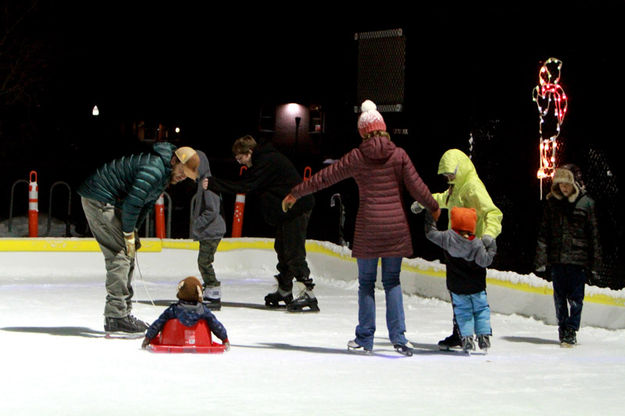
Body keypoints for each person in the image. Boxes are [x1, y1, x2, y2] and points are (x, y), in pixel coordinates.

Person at [282, 100, 440, 355]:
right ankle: (399, 338)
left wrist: (295, 193)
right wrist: (433, 206)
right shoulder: (398, 155)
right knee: (392, 282)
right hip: (395, 229)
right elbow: (417, 186)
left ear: (363, 131)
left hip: (369, 229)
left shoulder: (357, 156)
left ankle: (365, 338)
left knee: (366, 284)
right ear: (383, 128)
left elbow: (325, 177)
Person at [78, 143, 200, 335]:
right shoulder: (154, 170)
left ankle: (123, 313)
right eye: (182, 171)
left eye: (187, 175)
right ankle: (116, 317)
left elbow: (145, 205)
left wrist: (132, 232)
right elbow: (133, 203)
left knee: (128, 251)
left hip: (109, 201)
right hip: (99, 199)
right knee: (120, 255)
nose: (183, 176)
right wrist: (127, 233)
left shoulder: (163, 175)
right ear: (174, 161)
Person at [202, 135, 317, 312]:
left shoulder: (266, 161)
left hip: (297, 207)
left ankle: (308, 293)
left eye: (241, 158)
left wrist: (214, 184)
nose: (240, 163)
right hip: (287, 210)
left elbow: (246, 186)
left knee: (293, 250)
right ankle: (285, 289)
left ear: (249, 152)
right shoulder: (264, 159)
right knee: (282, 248)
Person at [412, 148, 502, 350]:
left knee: (474, 296)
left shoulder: (472, 187)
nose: (447, 178)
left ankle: (472, 333)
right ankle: (461, 333)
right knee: (457, 294)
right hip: (456, 249)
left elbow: (493, 213)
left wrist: (488, 235)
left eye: (449, 174)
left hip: (472, 249)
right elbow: (444, 199)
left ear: (459, 168)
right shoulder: (456, 186)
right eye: (445, 175)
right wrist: (425, 202)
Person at [534, 165, 602, 347]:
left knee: (576, 298)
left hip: (577, 261)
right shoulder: (552, 204)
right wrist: (541, 259)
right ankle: (563, 329)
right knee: (559, 298)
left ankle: (571, 329)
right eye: (560, 184)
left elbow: (594, 235)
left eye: (566, 184)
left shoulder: (586, 204)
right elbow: (544, 233)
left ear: (574, 183)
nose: (563, 188)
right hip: (557, 259)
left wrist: (595, 265)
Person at [424, 206, 497, 353]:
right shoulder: (477, 243)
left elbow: (430, 234)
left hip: (457, 287)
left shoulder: (447, 238)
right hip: (477, 286)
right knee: (481, 310)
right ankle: (483, 336)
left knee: (463, 313)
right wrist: (491, 245)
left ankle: (467, 338)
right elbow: (486, 261)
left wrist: (430, 216)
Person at [141, 276, 229, 350]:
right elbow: (215, 325)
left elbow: (158, 323)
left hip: (173, 341)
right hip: (200, 342)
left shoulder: (174, 310)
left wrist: (148, 338)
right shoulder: (203, 310)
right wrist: (224, 339)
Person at [191, 149, 226, 310]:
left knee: (204, 261)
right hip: (209, 231)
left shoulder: (207, 184)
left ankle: (213, 290)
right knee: (204, 261)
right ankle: (210, 288)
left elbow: (212, 210)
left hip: (212, 231)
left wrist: (197, 223)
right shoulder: (202, 182)